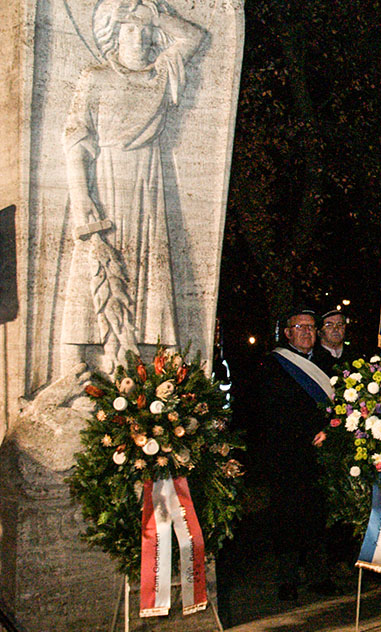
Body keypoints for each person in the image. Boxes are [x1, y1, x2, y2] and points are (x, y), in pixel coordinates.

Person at [61, 0, 205, 371]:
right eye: (128, 28)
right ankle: (79, 354)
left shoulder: (161, 74)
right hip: (106, 179)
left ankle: (145, 355)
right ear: (112, 33)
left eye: (143, 30)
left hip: (147, 179)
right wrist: (81, 195)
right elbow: (75, 139)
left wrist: (153, 13)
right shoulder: (95, 77)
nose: (137, 36)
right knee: (98, 261)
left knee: (148, 262)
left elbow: (194, 36)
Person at [248, 308, 334, 601]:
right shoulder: (273, 364)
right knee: (286, 517)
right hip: (287, 453)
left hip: (320, 453)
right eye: (301, 327)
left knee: (317, 514)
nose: (307, 332)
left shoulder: (326, 363)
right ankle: (287, 578)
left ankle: (319, 575)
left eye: (312, 327)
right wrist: (303, 434)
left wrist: (328, 431)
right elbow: (269, 411)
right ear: (287, 333)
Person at [313, 308, 359, 376]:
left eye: (340, 325)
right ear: (319, 332)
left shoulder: (356, 356)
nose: (336, 329)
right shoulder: (313, 359)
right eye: (329, 325)